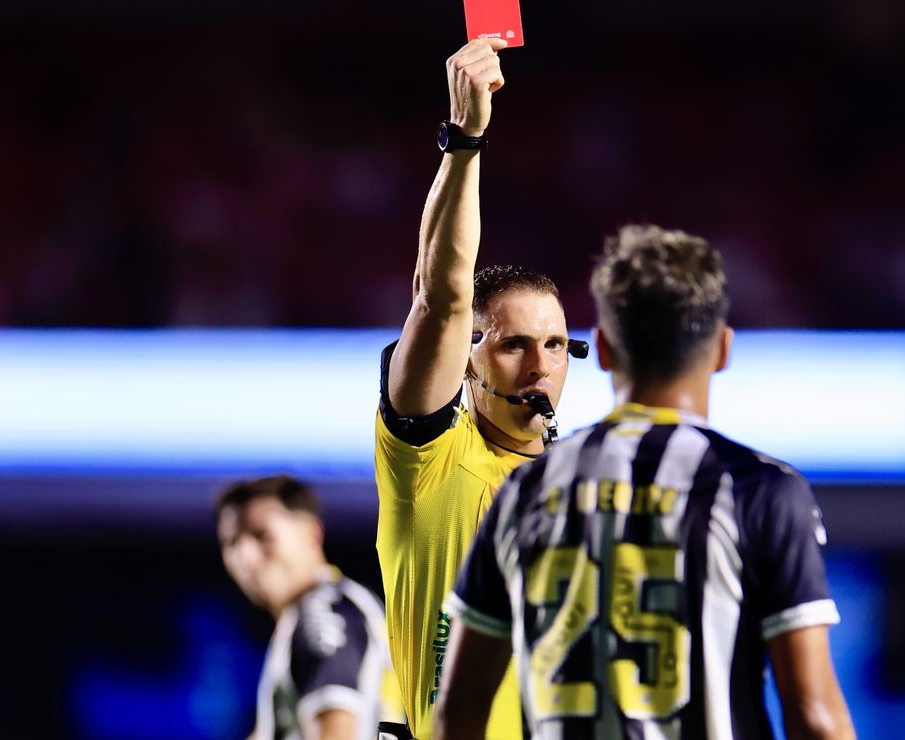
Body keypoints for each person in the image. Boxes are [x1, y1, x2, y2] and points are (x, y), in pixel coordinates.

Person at [435, 226, 856, 739]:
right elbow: (814, 714)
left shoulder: (526, 491)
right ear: (723, 350)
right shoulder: (759, 489)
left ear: (605, 349)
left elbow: (457, 714)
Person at [374, 38, 587, 740]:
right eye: (513, 343)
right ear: (469, 361)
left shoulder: (590, 484)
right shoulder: (429, 458)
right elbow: (440, 297)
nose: (539, 365)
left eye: (556, 345)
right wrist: (464, 140)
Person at [216, 474, 405, 740]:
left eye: (261, 535)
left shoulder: (321, 612)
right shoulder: (328, 606)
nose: (245, 557)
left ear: (311, 533)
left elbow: (336, 728)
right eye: (232, 542)